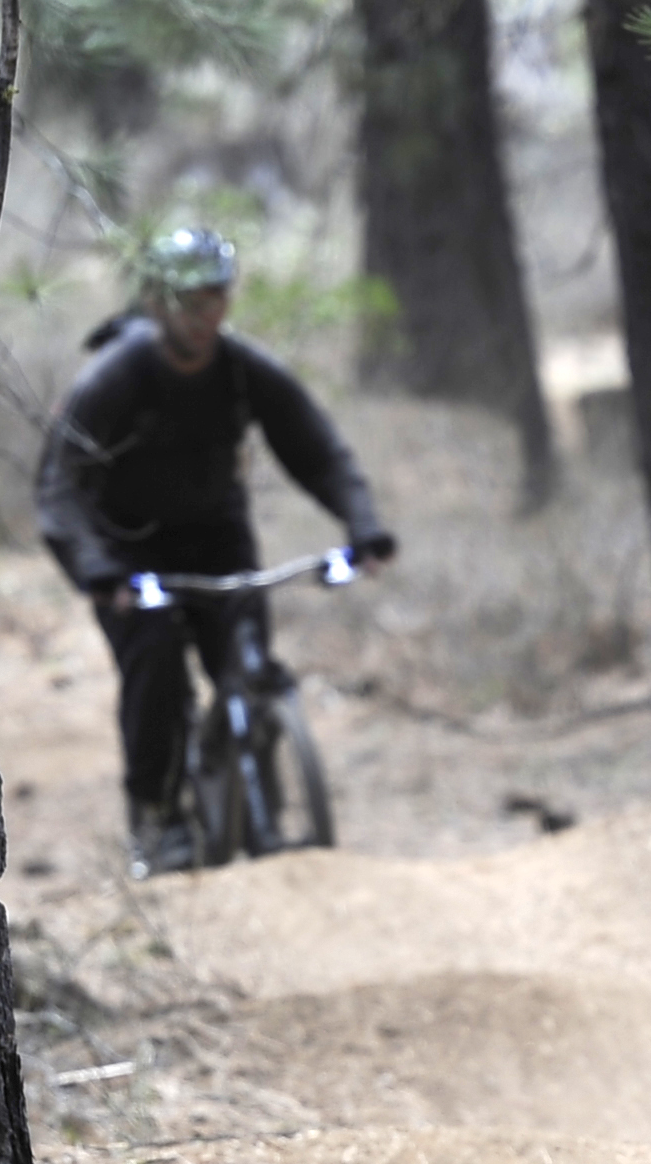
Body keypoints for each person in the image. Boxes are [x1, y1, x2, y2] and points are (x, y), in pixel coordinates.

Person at [35, 226, 397, 873]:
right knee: (157, 663)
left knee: (248, 661)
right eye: (187, 301)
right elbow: (60, 489)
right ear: (156, 303)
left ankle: (267, 804)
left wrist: (363, 527)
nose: (204, 316)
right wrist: (98, 570)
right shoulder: (115, 377)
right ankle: (158, 816)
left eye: (215, 299)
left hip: (218, 540)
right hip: (128, 555)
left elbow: (320, 453)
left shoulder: (242, 371)